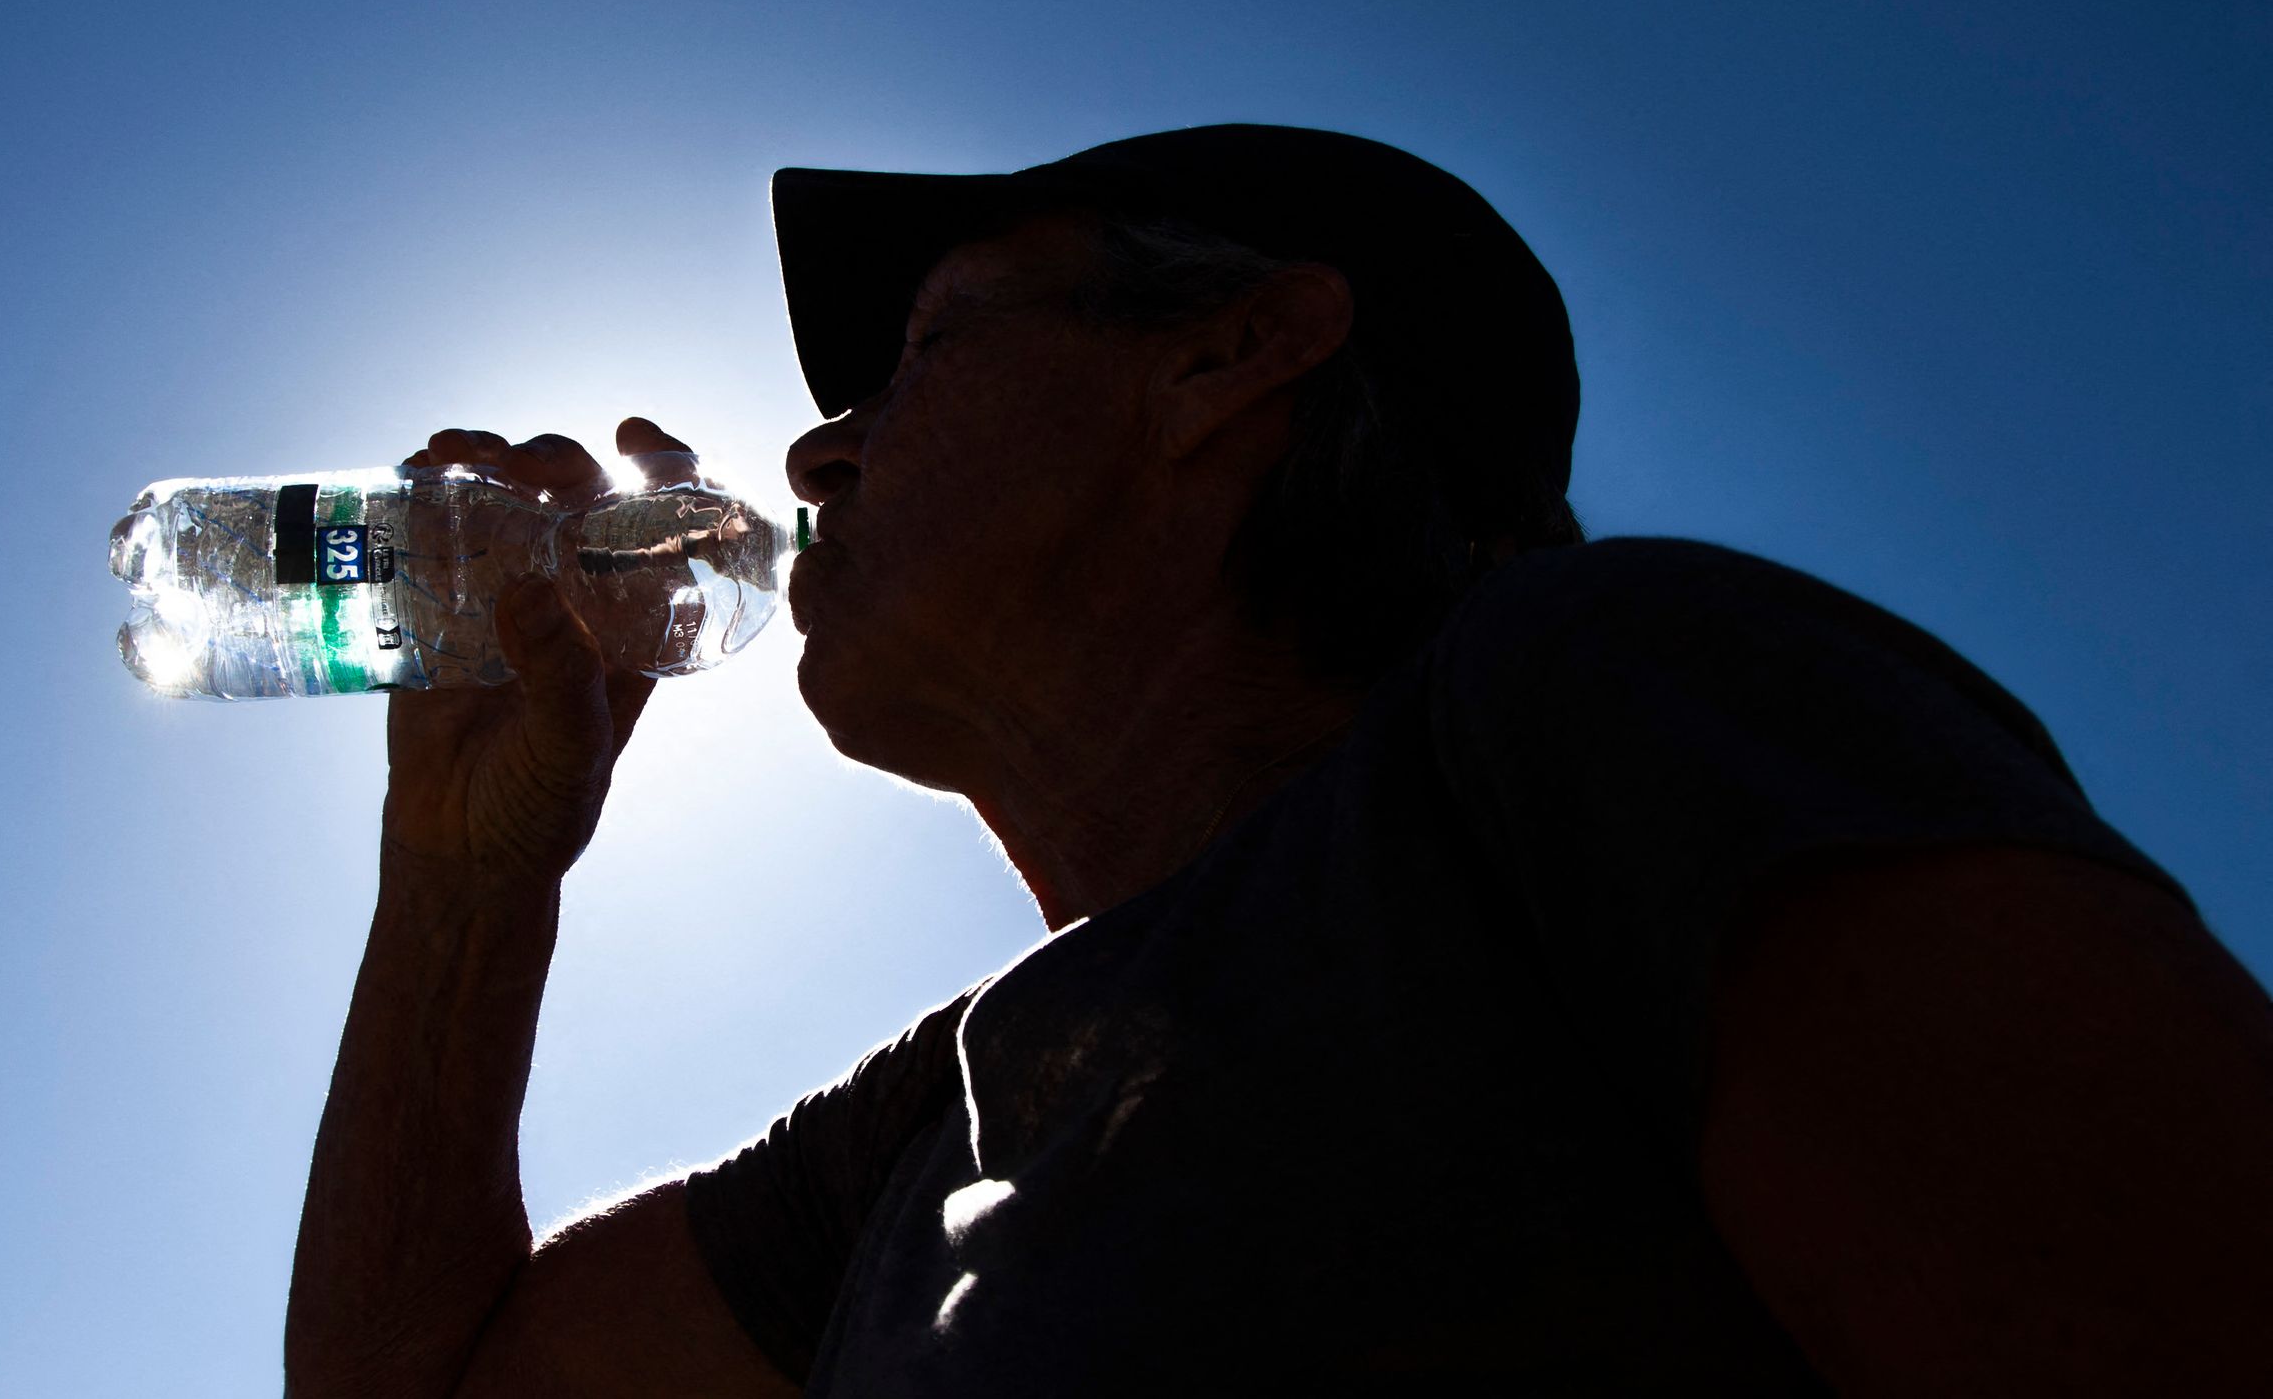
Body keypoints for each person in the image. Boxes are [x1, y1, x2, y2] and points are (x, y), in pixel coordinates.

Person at [282, 126, 2273, 1395]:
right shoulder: (935, 1124)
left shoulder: (1593, 694)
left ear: (1231, 360)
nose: (817, 452)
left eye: (928, 351)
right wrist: (468, 875)